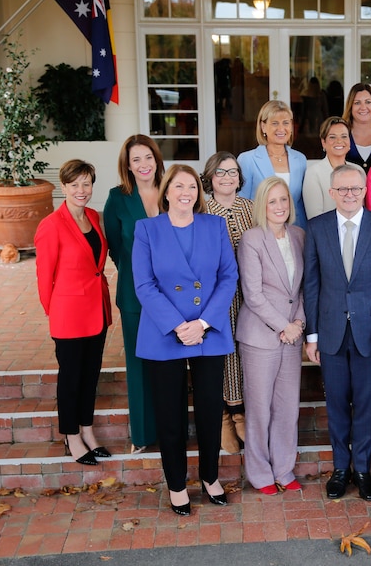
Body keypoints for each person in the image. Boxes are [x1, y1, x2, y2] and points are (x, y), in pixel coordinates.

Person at [132, 164, 238, 516]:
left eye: (191, 187)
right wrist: (179, 325)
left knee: (209, 410)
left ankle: (210, 477)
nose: (185, 193)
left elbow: (228, 277)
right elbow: (144, 284)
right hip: (165, 333)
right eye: (178, 186)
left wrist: (203, 323)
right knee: (170, 414)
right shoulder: (147, 229)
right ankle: (177, 484)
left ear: (199, 192)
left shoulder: (215, 225)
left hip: (208, 331)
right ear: (165, 192)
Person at [303, 164, 371, 501]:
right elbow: (312, 285)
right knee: (336, 407)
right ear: (331, 192)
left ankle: (362, 469)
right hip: (330, 333)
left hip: (370, 335)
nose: (349, 195)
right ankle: (340, 468)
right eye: (342, 189)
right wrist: (312, 336)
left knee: (364, 405)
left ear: (364, 191)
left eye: (355, 189)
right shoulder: (316, 228)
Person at [35, 159, 112, 466]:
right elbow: (44, 278)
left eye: (86, 183)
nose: (81, 190)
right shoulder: (51, 225)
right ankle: (71, 435)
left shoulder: (93, 216)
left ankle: (88, 431)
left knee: (90, 375)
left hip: (96, 309)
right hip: (68, 314)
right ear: (63, 187)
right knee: (71, 377)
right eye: (74, 184)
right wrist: (56, 312)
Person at [236, 177, 306, 496]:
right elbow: (252, 294)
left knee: (287, 407)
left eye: (284, 200)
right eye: (272, 201)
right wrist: (283, 325)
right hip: (261, 336)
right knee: (260, 408)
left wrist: (299, 323)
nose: (279, 207)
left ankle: (284, 467)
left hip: (292, 335)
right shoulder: (252, 239)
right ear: (262, 205)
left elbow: (302, 289)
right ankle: (261, 472)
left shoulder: (299, 236)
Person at [104, 134, 165, 454]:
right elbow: (115, 246)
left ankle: (172, 429)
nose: (143, 164)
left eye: (148, 157)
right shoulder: (117, 199)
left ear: (157, 159)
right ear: (127, 165)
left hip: (174, 295)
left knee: (171, 363)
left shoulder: (171, 191)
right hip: (135, 295)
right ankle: (142, 434)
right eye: (136, 159)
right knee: (140, 363)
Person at [201, 152, 255, 454]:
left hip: (248, 293)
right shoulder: (201, 209)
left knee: (244, 349)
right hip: (213, 297)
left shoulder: (250, 208)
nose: (227, 177)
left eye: (232, 172)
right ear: (209, 177)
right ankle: (226, 415)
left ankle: (242, 412)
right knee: (219, 353)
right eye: (220, 172)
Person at [238, 100, 308, 229]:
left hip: (295, 232)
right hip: (261, 232)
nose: (281, 129)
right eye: (275, 123)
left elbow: (300, 205)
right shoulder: (247, 159)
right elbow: (242, 205)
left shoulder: (300, 159)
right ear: (263, 126)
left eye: (286, 123)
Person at [303, 117, 357, 219]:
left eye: (344, 136)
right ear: (323, 142)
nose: (339, 141)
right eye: (332, 137)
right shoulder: (313, 173)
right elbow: (315, 218)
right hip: (326, 233)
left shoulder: (358, 171)